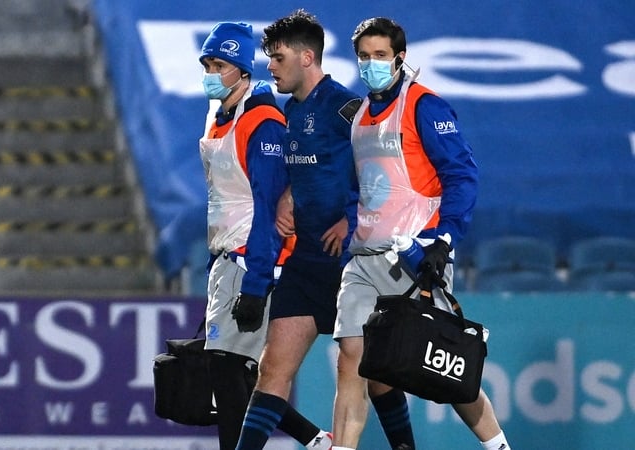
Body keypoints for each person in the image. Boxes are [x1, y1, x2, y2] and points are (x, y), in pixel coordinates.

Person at [233, 10, 414, 450]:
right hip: (306, 262)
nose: (270, 67)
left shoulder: (346, 108)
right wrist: (289, 195)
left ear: (307, 57)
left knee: (376, 377)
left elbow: (383, 174)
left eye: (277, 58)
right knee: (273, 371)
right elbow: (306, 167)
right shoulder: (289, 111)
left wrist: (350, 218)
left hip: (350, 264)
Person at [333, 17, 512, 450]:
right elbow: (362, 187)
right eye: (363, 57)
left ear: (400, 58)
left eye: (379, 56)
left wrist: (444, 241)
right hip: (364, 258)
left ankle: (499, 447)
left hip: (414, 258)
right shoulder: (356, 116)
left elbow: (462, 175)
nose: (371, 64)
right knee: (352, 361)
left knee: (447, 373)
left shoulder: (424, 106)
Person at [197, 21, 332, 450]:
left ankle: (312, 441)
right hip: (227, 259)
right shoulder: (221, 116)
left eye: (219, 65)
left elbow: (267, 208)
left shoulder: (262, 124)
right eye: (206, 64)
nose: (210, 73)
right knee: (238, 373)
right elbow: (224, 201)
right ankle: (316, 441)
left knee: (229, 370)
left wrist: (257, 282)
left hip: (249, 259)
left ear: (240, 69)